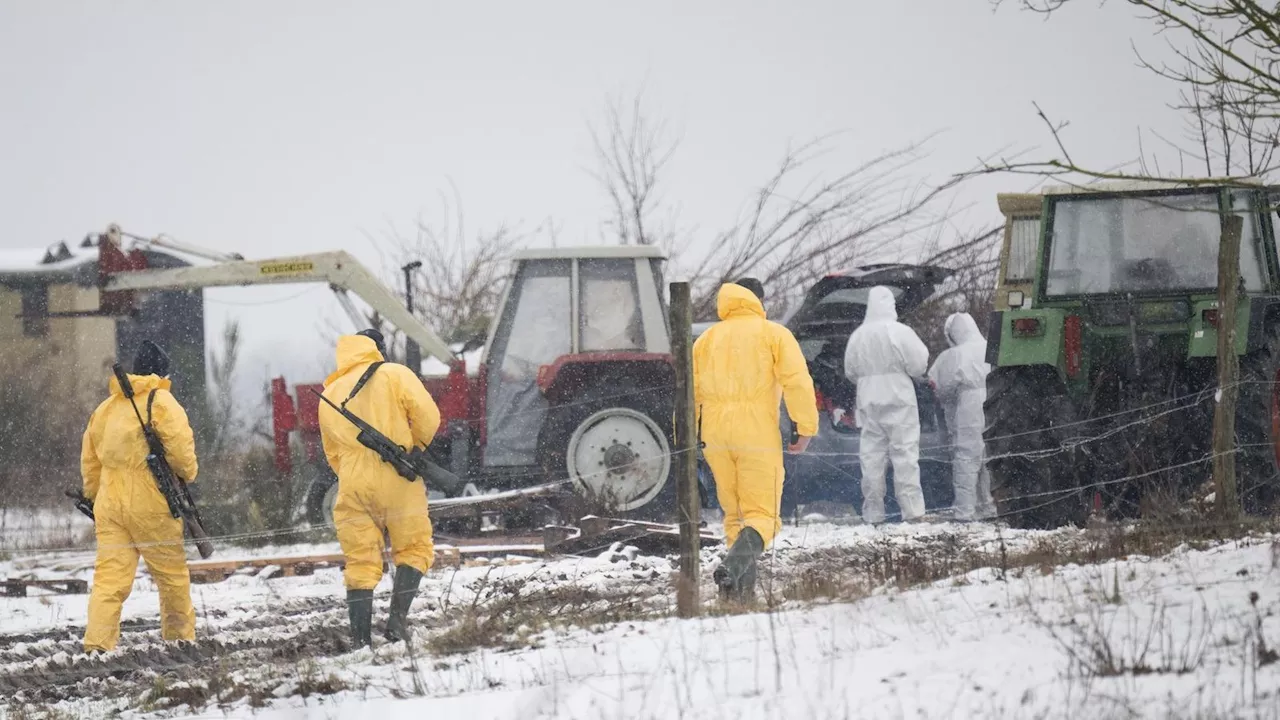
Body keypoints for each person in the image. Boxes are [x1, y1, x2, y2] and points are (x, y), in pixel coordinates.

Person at [693, 281, 818, 601]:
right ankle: (733, 566)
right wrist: (805, 428)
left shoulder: (705, 340)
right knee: (764, 517)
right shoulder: (773, 334)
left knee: (735, 515)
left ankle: (738, 596)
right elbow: (797, 381)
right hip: (756, 432)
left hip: (714, 434)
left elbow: (690, 393)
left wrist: (689, 436)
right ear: (757, 301)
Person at [319, 328, 441, 647]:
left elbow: (331, 452)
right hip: (398, 477)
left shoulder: (330, 393)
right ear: (378, 349)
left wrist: (353, 473)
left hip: (352, 484)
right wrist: (415, 450)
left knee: (360, 560)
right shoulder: (394, 374)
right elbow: (428, 417)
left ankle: (360, 640)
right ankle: (396, 624)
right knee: (414, 548)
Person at [81, 340, 199, 653]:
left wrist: (94, 497)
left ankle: (97, 646)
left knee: (109, 579)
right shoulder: (162, 402)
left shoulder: (105, 409)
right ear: (161, 371)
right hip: (151, 502)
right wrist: (187, 474)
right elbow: (182, 456)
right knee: (171, 576)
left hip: (109, 503)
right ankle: (179, 641)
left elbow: (90, 462)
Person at [843, 286, 930, 524]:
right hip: (899, 399)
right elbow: (919, 365)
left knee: (871, 459)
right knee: (905, 456)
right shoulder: (900, 332)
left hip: (868, 401)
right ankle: (912, 513)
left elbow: (850, 371)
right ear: (891, 304)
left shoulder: (858, 336)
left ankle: (873, 514)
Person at [928, 312, 997, 522]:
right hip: (995, 400)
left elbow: (940, 388)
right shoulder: (993, 347)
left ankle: (965, 510)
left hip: (969, 404)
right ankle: (988, 505)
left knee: (966, 457)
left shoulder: (954, 356)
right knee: (988, 458)